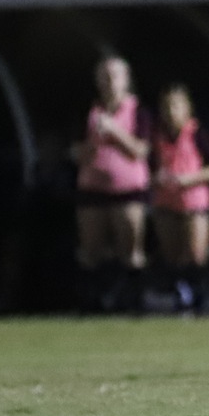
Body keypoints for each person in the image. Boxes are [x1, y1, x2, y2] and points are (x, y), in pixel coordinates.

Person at [72, 55, 150, 313]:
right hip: (92, 189)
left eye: (115, 76)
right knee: (91, 250)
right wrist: (87, 149)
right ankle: (93, 304)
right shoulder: (88, 110)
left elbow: (141, 150)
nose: (110, 82)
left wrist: (115, 131)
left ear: (126, 80)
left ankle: (132, 303)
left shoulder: (138, 111)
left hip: (128, 191)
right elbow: (74, 149)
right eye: (105, 76)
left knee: (130, 249)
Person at [150, 84, 209, 313]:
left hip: (194, 201)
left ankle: (199, 297)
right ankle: (180, 298)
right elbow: (147, 169)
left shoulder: (198, 134)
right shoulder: (156, 136)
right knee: (172, 255)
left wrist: (188, 179)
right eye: (167, 106)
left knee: (196, 254)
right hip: (166, 202)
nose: (171, 111)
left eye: (176, 105)